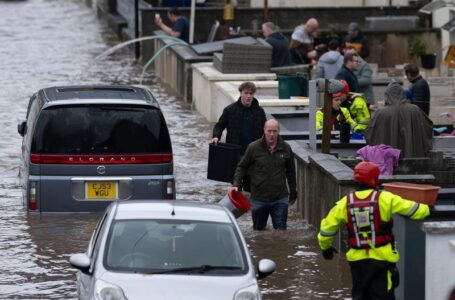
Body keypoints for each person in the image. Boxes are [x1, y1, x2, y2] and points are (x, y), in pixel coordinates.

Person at [318, 161, 430, 300]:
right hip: (382, 260)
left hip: (357, 262)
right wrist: (427, 208)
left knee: (360, 296)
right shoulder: (385, 198)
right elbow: (415, 210)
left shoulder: (344, 203)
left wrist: (326, 248)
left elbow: (326, 229)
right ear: (374, 179)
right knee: (383, 296)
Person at [230, 119, 297, 230]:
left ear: (278, 131)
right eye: (269, 131)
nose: (272, 134)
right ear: (264, 130)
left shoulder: (285, 148)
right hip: (259, 198)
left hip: (280, 198)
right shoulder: (253, 148)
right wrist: (236, 185)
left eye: (274, 131)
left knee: (281, 231)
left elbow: (291, 172)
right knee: (258, 231)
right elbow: (242, 167)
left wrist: (293, 192)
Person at [364, 81, 433, 158]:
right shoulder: (415, 110)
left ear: (387, 95)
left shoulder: (380, 113)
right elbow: (428, 127)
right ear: (403, 94)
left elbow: (369, 134)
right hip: (415, 159)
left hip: (388, 163)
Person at [211, 82, 266, 155]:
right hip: (235, 151)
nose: (248, 96)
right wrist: (216, 136)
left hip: (254, 152)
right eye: (246, 93)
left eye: (251, 93)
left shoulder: (259, 111)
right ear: (241, 93)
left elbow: (266, 129)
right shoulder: (230, 110)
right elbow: (219, 126)